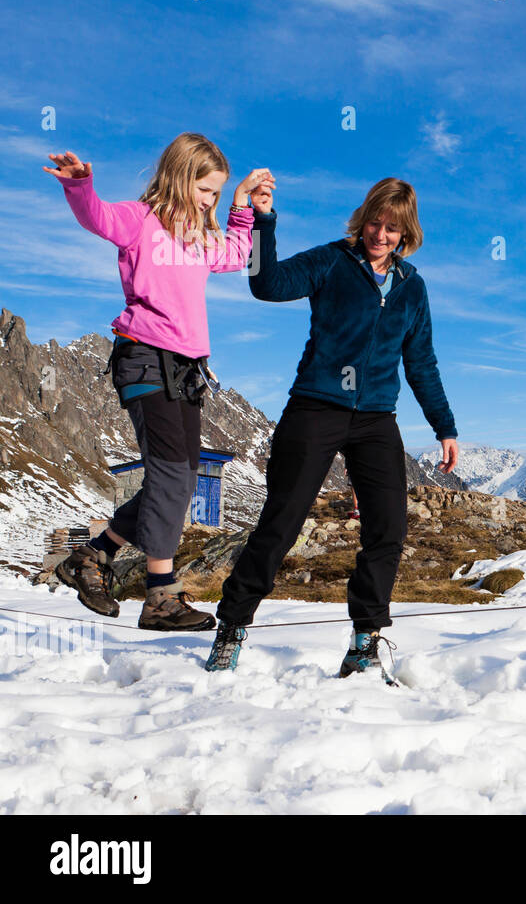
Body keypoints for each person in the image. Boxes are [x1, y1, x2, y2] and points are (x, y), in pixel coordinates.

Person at [206, 178, 459, 682]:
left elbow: (421, 361)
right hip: (315, 408)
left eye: (392, 228)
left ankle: (364, 639)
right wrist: (263, 220)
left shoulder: (412, 285)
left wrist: (444, 426)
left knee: (388, 527)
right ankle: (231, 626)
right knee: (282, 522)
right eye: (374, 223)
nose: (380, 235)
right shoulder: (331, 261)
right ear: (362, 219)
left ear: (406, 231)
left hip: (375, 419)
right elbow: (266, 284)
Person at [44, 136, 272, 630]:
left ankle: (91, 557)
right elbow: (96, 218)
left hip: (186, 372)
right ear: (178, 176)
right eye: (204, 188)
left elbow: (236, 254)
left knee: (182, 480)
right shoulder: (140, 220)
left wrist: (241, 206)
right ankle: (161, 596)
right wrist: (81, 186)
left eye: (216, 192)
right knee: (171, 477)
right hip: (145, 360)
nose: (208, 199)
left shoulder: (199, 237)